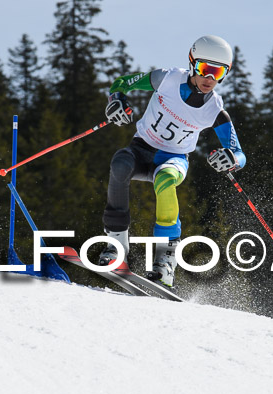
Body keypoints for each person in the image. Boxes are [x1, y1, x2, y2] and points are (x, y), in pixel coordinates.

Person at [100, 35, 247, 287]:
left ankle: (165, 262)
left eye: (218, 72)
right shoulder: (166, 79)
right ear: (192, 63)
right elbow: (122, 83)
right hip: (141, 149)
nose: (210, 79)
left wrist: (231, 158)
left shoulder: (214, 109)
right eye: (205, 69)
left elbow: (239, 153)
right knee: (120, 163)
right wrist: (117, 99)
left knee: (166, 180)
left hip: (174, 159)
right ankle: (116, 245)